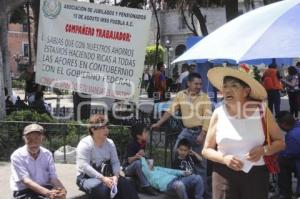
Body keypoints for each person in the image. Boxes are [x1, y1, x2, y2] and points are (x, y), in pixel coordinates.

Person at [202, 67, 285, 199]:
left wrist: (263, 150)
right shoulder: (218, 113)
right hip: (223, 175)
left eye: (234, 86)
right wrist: (224, 159)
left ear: (246, 91)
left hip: (256, 175)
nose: (228, 90)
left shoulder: (262, 110)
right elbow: (206, 150)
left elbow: (280, 143)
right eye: (225, 86)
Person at [152, 72, 212, 197]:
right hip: (186, 131)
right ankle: (178, 185)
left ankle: (202, 193)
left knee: (201, 164)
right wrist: (159, 123)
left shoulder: (204, 97)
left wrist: (203, 133)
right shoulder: (180, 95)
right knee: (176, 152)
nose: (198, 86)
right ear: (188, 83)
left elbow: (208, 116)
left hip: (200, 131)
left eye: (200, 84)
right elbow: (170, 111)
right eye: (196, 83)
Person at [76, 114, 139, 199]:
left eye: (106, 127)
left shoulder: (110, 143)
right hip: (86, 178)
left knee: (126, 184)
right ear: (93, 129)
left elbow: (115, 162)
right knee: (104, 189)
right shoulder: (85, 144)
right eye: (102, 128)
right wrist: (103, 178)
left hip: (107, 176)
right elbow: (84, 166)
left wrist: (116, 177)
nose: (106, 130)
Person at [10, 123, 67, 199]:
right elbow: (26, 181)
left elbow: (53, 177)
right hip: (24, 191)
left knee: (60, 195)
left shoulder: (47, 154)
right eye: (29, 138)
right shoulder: (17, 155)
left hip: (45, 187)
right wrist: (48, 193)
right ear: (24, 139)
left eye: (37, 138)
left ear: (42, 138)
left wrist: (62, 189)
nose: (33, 142)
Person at [123, 125, 157, 196]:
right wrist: (136, 156)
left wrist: (148, 161)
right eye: (145, 132)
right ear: (138, 136)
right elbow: (129, 161)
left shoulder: (142, 143)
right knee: (137, 163)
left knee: (150, 162)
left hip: (137, 168)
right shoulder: (131, 144)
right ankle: (146, 186)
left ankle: (152, 183)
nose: (147, 134)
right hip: (127, 169)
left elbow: (143, 158)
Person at [276, 111, 300, 199]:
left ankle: (285, 193)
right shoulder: (297, 126)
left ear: (284, 124)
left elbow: (285, 154)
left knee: (281, 161)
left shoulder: (293, 136)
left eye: (278, 124)